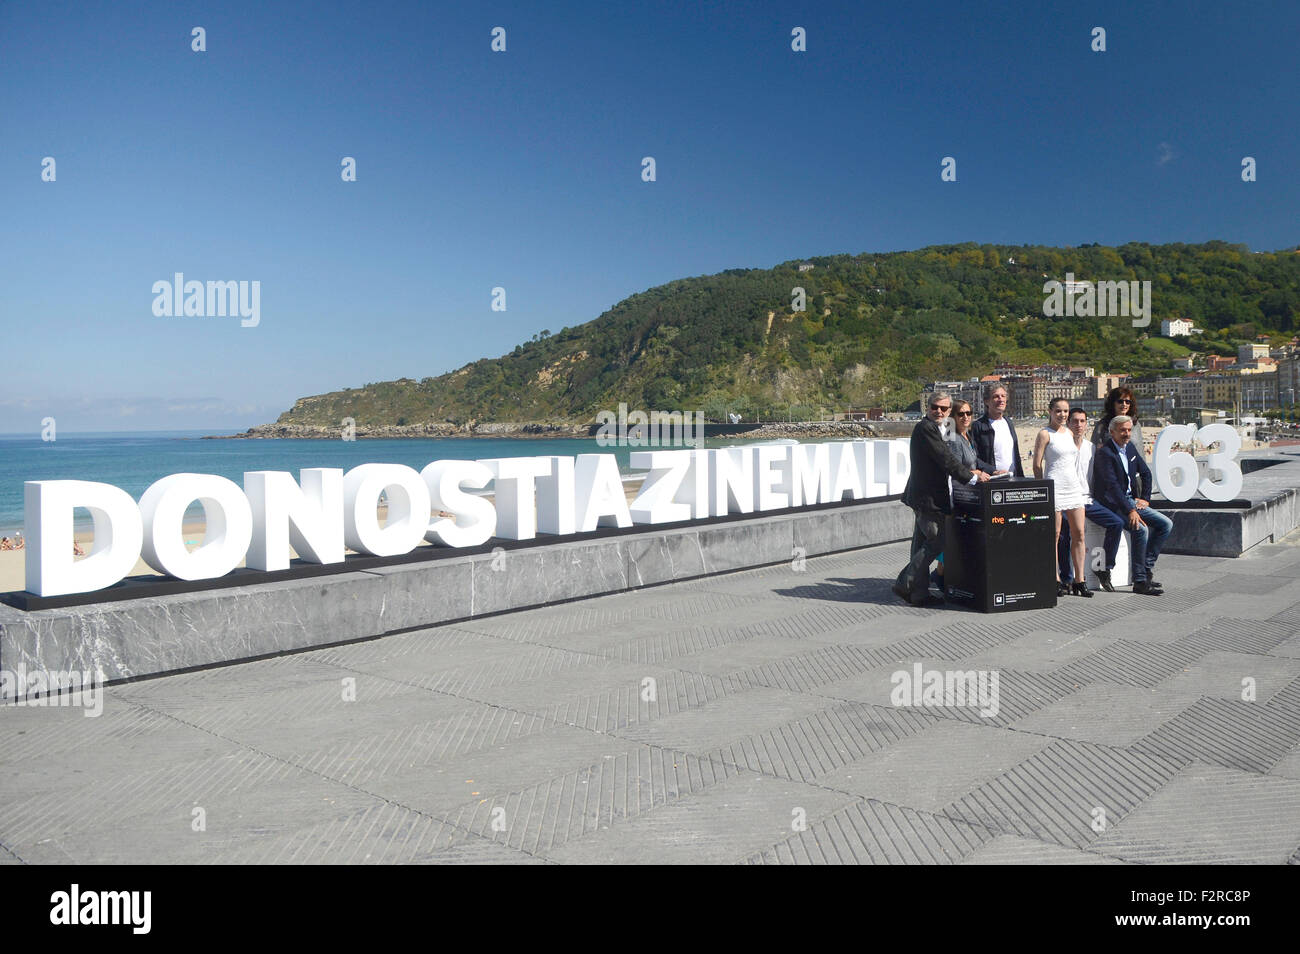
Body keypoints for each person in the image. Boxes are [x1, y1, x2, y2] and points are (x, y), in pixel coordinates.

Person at [894, 392, 989, 607]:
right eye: (935, 407)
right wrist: (971, 478)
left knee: (920, 545)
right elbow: (945, 459)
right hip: (928, 498)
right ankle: (904, 582)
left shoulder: (941, 429)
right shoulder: (925, 428)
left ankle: (918, 594)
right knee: (936, 542)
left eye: (944, 409)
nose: (939, 411)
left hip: (925, 496)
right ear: (927, 408)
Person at [1093, 415, 1173, 595]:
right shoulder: (1105, 453)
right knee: (1140, 530)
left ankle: (1146, 568)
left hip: (1130, 501)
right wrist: (1130, 510)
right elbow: (1112, 487)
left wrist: (1145, 498)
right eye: (1122, 430)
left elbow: (1145, 473)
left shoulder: (1129, 448)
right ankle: (1139, 581)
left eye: (1129, 430)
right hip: (1113, 504)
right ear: (1112, 432)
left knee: (1166, 524)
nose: (1127, 434)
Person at [1057, 409, 1127, 592]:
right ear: (1068, 424)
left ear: (1087, 424)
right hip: (1067, 500)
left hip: (1088, 501)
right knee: (1064, 533)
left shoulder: (1091, 448)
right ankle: (1067, 579)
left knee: (1116, 523)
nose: (1078, 425)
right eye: (1075, 421)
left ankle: (1105, 568)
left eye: (1082, 421)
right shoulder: (1061, 447)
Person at [1033, 398, 1091, 597]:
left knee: (1079, 534)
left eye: (1065, 411)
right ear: (1050, 411)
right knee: (1054, 536)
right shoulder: (1044, 434)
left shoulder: (1070, 433)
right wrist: (1042, 490)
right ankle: (1055, 578)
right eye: (1058, 411)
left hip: (1073, 487)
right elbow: (1037, 464)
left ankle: (1079, 580)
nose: (1062, 415)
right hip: (1054, 487)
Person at [931, 399, 979, 589]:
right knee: (950, 542)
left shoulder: (967, 436)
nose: (966, 417)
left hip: (969, 496)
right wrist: (973, 474)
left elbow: (975, 462)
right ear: (953, 417)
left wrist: (993, 470)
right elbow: (954, 467)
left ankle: (941, 576)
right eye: (961, 414)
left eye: (969, 413)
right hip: (956, 496)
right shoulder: (953, 439)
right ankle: (939, 576)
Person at [971, 384, 1025, 477]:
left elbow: (1015, 455)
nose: (1001, 399)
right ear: (986, 401)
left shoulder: (1008, 423)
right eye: (996, 396)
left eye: (1003, 396)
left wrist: (1021, 477)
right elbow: (973, 457)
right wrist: (993, 471)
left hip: (1013, 480)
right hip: (991, 481)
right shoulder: (978, 426)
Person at [1093, 388, 1145, 454]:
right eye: (1120, 401)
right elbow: (1095, 451)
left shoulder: (1135, 425)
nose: (1124, 404)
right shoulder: (1102, 425)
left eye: (1127, 402)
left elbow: (1140, 450)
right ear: (1112, 403)